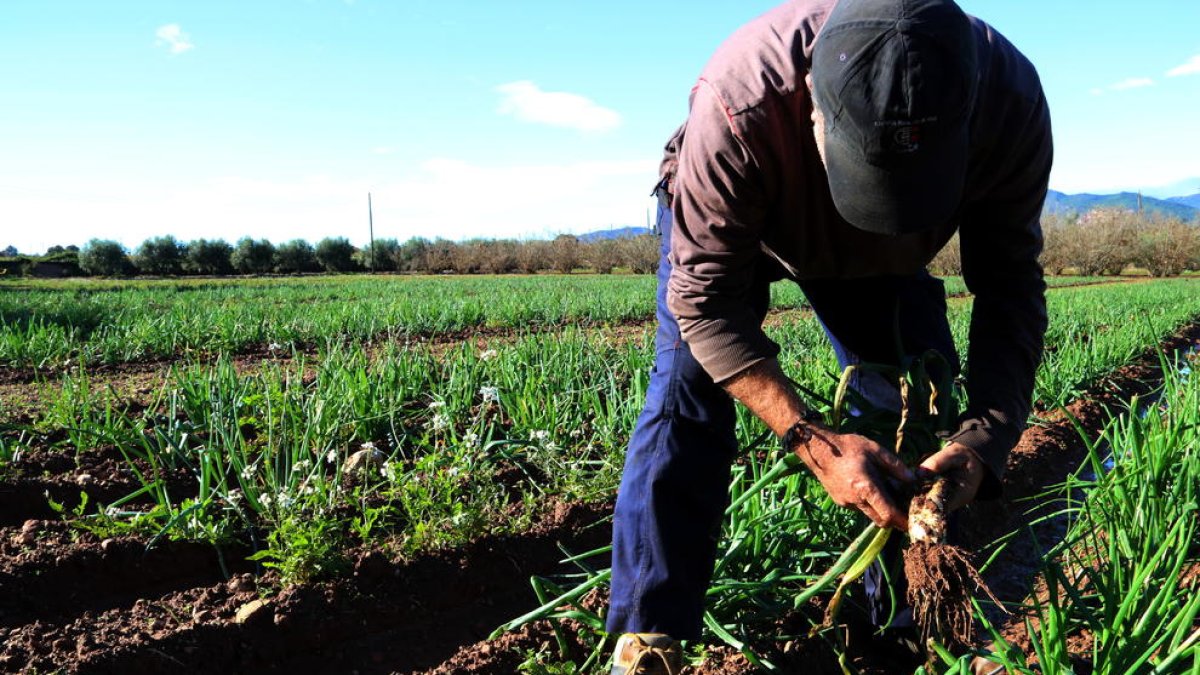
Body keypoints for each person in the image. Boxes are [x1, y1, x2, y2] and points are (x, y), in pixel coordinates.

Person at [606, 0, 1052, 672]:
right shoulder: (738, 106)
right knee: (685, 395)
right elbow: (704, 303)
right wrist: (810, 439)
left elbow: (1010, 285)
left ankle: (915, 631)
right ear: (813, 102)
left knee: (914, 412)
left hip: (888, 263)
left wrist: (986, 436)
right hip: (743, 222)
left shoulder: (1009, 106)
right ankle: (649, 637)